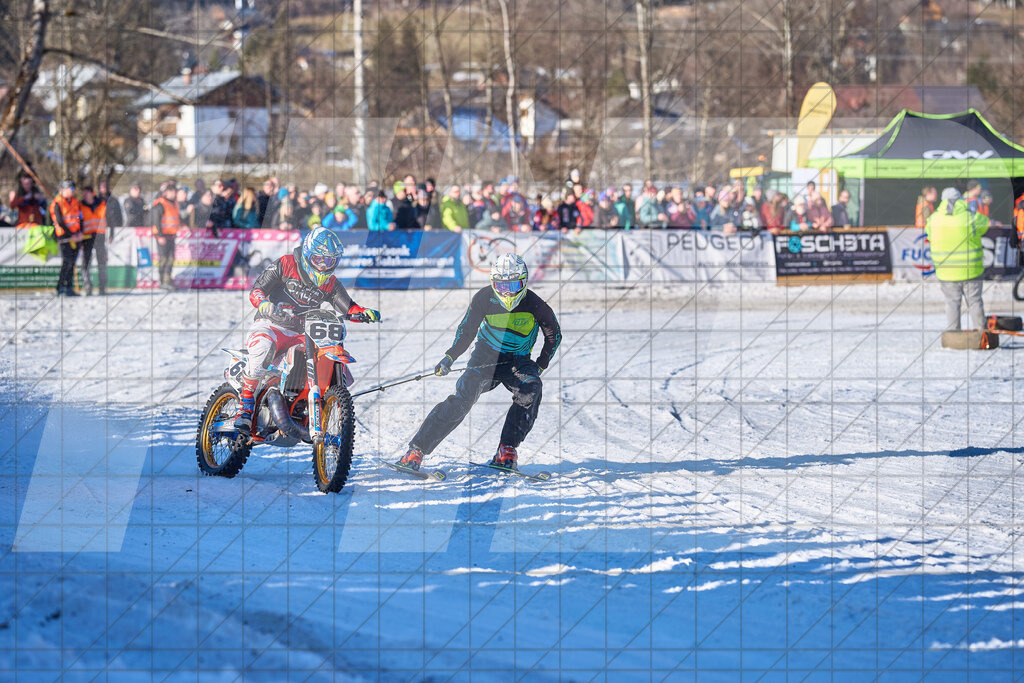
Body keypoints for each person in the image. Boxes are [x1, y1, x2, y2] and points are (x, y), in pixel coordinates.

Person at [396, 253, 561, 472]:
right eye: (502, 286)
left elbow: (554, 335)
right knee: (462, 400)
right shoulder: (484, 297)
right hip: (485, 358)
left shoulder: (535, 304)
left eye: (514, 285)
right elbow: (467, 330)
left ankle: (506, 449)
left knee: (531, 389)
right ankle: (415, 451)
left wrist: (539, 365)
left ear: (524, 282)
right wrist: (450, 357)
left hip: (519, 361)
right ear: (493, 283)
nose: (508, 291)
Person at [234, 227, 381, 435]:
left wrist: (363, 312)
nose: (324, 265)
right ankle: (245, 406)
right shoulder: (286, 264)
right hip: (271, 324)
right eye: (319, 259)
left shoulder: (330, 282)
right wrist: (264, 303)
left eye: (330, 261)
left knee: (328, 361)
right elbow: (257, 289)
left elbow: (348, 306)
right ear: (308, 254)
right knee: (263, 348)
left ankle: (309, 405)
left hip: (303, 332)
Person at [926, 188, 990, 332]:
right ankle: (982, 335)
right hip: (971, 270)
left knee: (951, 303)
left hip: (946, 272)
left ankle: (953, 336)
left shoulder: (933, 219)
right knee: (974, 302)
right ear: (960, 199)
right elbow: (985, 225)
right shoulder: (971, 217)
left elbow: (929, 235)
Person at [50, 180, 84, 296]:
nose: (73, 191)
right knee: (67, 261)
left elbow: (80, 218)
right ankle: (60, 286)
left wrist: (80, 232)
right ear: (63, 190)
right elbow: (59, 221)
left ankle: (69, 287)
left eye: (73, 189)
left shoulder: (75, 202)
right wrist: (71, 235)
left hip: (75, 236)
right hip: (64, 236)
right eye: (71, 189)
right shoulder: (57, 203)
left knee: (72, 262)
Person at [150, 181, 181, 291]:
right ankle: (162, 281)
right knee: (163, 259)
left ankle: (168, 280)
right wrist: (159, 236)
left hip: (172, 235)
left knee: (171, 259)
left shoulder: (174, 204)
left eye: (174, 191)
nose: (174, 193)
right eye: (171, 191)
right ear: (165, 193)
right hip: (163, 236)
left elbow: (177, 218)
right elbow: (155, 220)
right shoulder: (160, 204)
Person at [80, 185, 109, 295]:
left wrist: (111, 233)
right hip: (86, 238)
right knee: (86, 263)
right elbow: (79, 221)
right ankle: (88, 286)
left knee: (102, 262)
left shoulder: (102, 203)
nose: (85, 196)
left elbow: (109, 218)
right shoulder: (81, 205)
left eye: (86, 193)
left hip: (100, 236)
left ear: (92, 193)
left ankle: (102, 287)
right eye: (83, 194)